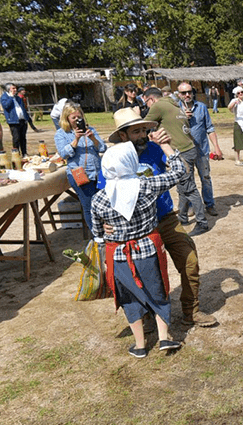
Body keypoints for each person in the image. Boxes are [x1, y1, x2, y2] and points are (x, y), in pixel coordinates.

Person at [101, 108, 217, 327]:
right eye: (136, 132)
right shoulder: (114, 158)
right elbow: (103, 194)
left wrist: (166, 145)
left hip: (165, 218)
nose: (143, 135)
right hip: (136, 228)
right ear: (123, 135)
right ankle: (147, 316)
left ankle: (191, 311)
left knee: (189, 260)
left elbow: (182, 171)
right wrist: (104, 222)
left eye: (144, 130)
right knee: (144, 273)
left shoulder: (154, 149)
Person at [91, 141, 184, 358]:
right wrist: (167, 148)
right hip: (148, 249)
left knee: (129, 298)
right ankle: (164, 338)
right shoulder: (147, 185)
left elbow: (97, 233)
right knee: (158, 291)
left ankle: (140, 345)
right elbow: (179, 172)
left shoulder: (98, 199)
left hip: (118, 256)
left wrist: (106, 229)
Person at [143, 87, 210, 236]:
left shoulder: (158, 106)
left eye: (146, 103)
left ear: (151, 99)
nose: (147, 106)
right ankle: (183, 217)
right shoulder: (173, 104)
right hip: (189, 148)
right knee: (182, 186)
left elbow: (142, 125)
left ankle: (202, 222)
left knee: (189, 188)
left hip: (182, 151)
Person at [54, 102, 106, 231]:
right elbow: (64, 154)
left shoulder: (91, 129)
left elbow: (103, 148)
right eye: (74, 118)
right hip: (79, 173)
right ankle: (96, 235)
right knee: (89, 206)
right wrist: (76, 139)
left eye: (79, 117)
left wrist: (93, 138)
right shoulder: (61, 134)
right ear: (67, 119)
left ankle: (106, 232)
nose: (77, 120)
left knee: (104, 204)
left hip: (97, 172)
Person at [177, 82, 223, 217]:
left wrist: (217, 147)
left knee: (206, 178)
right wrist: (182, 118)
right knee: (188, 180)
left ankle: (210, 204)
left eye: (189, 92)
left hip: (201, 151)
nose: (187, 95)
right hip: (184, 152)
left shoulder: (201, 107)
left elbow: (210, 128)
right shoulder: (175, 109)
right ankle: (191, 206)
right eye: (184, 93)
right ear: (179, 95)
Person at [0, 83, 33, 156]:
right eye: (13, 88)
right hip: (13, 121)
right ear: (8, 89)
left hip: (22, 120)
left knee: (23, 138)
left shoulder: (18, 97)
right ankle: (16, 154)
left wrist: (26, 118)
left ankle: (24, 153)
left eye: (15, 88)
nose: (15, 90)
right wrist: (11, 97)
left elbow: (23, 108)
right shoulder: (4, 97)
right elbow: (6, 106)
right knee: (16, 138)